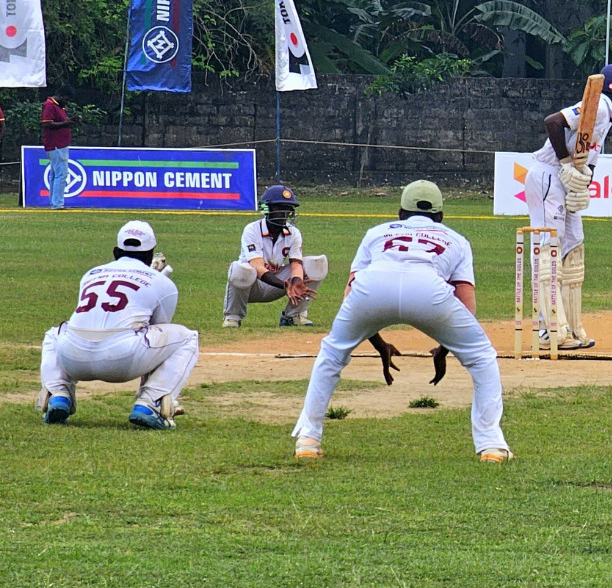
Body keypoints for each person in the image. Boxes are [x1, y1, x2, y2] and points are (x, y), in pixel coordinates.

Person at [291, 180, 513, 462]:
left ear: (399, 214)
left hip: (372, 286)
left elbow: (353, 295)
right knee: (482, 357)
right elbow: (465, 302)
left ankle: (308, 440)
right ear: (441, 217)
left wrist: (376, 341)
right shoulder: (456, 239)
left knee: (332, 354)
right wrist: (448, 346)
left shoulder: (376, 232)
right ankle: (491, 445)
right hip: (428, 290)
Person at [36, 220, 198, 429]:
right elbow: (156, 328)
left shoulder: (91, 274)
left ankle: (58, 394)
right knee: (188, 337)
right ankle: (151, 403)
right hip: (121, 359)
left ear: (115, 251)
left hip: (72, 356)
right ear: (151, 254)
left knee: (53, 334)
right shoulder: (163, 283)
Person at [525, 62, 612, 349]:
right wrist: (564, 164)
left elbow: (588, 160)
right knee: (549, 246)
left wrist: (581, 184)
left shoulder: (605, 114)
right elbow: (553, 122)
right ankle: (547, 330)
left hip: (563, 181)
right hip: (549, 173)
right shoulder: (597, 107)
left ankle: (571, 328)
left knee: (573, 245)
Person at [222, 184, 328, 327]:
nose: (284, 214)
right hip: (249, 285)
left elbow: (296, 264)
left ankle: (293, 315)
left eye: (288, 209)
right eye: (279, 208)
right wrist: (285, 285)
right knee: (241, 269)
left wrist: (296, 283)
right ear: (267, 209)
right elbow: (257, 267)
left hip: (277, 283)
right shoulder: (252, 230)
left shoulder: (293, 233)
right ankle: (233, 317)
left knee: (316, 264)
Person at [41, 86, 78, 209]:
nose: (67, 102)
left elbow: (62, 120)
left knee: (56, 174)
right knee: (61, 174)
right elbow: (46, 123)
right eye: (66, 99)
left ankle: (54, 202)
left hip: (60, 144)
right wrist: (64, 124)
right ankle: (58, 203)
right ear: (61, 96)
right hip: (56, 144)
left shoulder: (58, 106)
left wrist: (71, 120)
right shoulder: (50, 105)